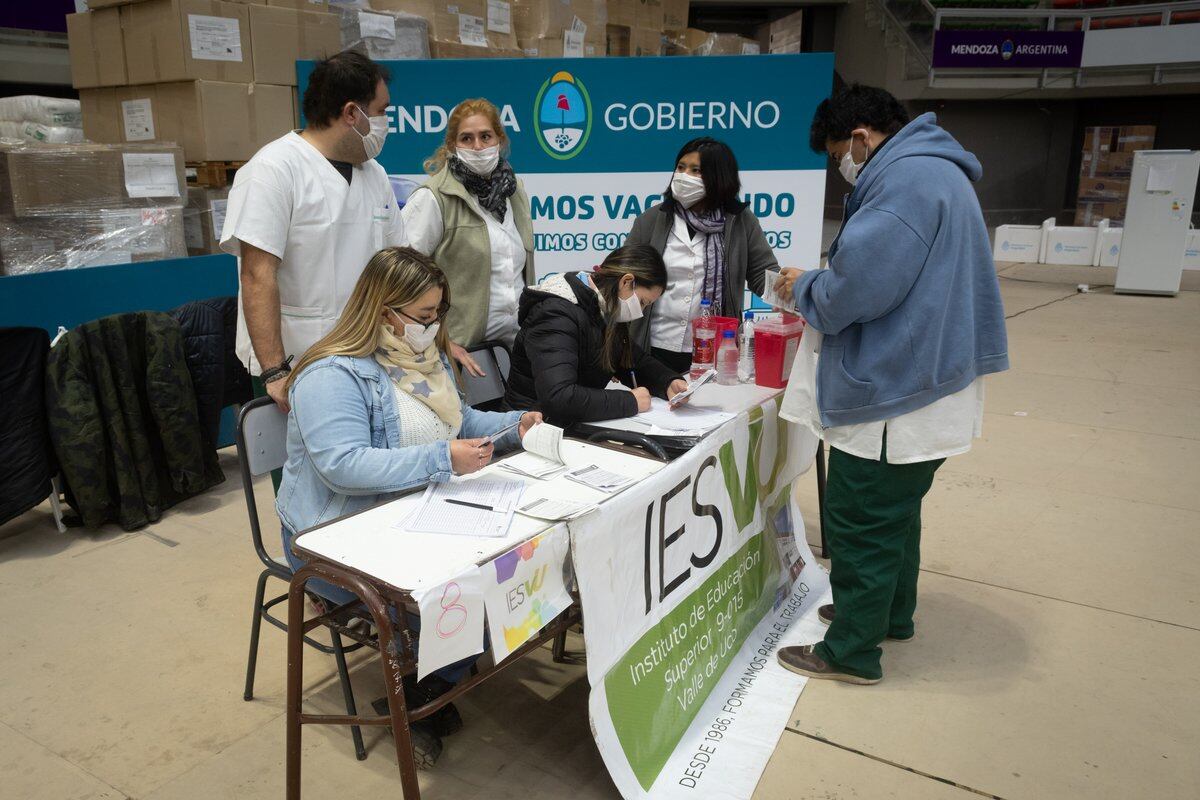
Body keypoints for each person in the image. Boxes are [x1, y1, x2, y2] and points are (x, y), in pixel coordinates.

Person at [773, 85, 1009, 685]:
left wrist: (803, 287)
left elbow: (851, 295)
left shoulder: (903, 185)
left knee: (860, 517)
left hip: (898, 391)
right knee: (896, 514)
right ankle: (886, 614)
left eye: (836, 156)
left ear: (860, 138)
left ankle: (851, 650)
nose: (840, 170)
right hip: (932, 379)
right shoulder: (936, 171)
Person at [278, 246, 542, 761]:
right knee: (474, 595)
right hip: (334, 536)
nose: (434, 325)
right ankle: (426, 693)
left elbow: (461, 423)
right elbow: (344, 466)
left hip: (411, 512)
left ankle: (425, 689)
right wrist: (442, 459)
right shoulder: (332, 374)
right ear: (383, 311)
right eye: (424, 316)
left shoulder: (422, 357)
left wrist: (516, 427)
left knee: (509, 578)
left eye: (438, 313)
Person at [221, 51, 405, 413]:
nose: (386, 121)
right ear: (352, 113)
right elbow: (257, 274)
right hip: (294, 364)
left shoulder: (375, 175)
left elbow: (398, 263)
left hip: (366, 359)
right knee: (299, 467)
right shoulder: (272, 170)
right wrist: (275, 371)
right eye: (382, 111)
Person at [403, 98, 535, 376]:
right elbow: (399, 281)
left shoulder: (515, 191)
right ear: (452, 145)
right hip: (461, 355)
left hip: (516, 350)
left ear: (500, 139)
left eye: (485, 136)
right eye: (467, 138)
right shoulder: (434, 197)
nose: (478, 146)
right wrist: (440, 341)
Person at [625, 137, 778, 375]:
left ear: (718, 177)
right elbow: (624, 275)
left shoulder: (741, 222)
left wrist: (796, 295)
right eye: (681, 167)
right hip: (652, 345)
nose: (684, 175)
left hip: (713, 349)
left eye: (696, 170)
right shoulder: (652, 219)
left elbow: (762, 275)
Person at [505, 245, 690, 427]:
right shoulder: (555, 314)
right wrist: (630, 401)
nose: (641, 311)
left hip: (567, 423)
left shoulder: (603, 305)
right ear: (626, 282)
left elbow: (633, 360)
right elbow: (559, 396)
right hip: (531, 428)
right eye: (642, 302)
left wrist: (668, 382)